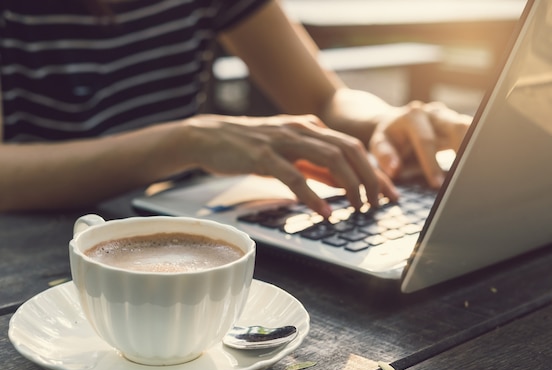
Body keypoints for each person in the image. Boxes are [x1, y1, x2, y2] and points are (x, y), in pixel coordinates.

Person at [0, 0, 471, 216]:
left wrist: (382, 120)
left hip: (189, 224)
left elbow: (324, 98)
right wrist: (186, 141)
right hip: (36, 247)